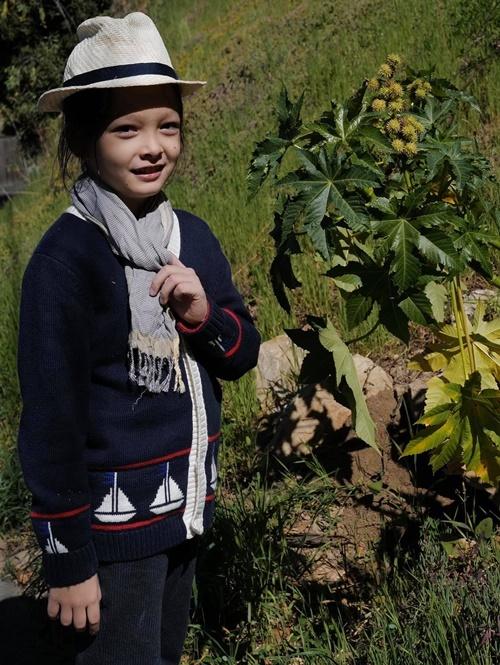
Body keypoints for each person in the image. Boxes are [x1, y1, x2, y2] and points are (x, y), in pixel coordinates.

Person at [16, 11, 260, 665]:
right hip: (111, 530)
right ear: (87, 139)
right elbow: (51, 418)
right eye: (127, 130)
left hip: (184, 514)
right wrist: (67, 556)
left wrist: (203, 314)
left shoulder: (194, 240)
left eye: (168, 126)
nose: (153, 147)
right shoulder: (67, 260)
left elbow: (242, 354)